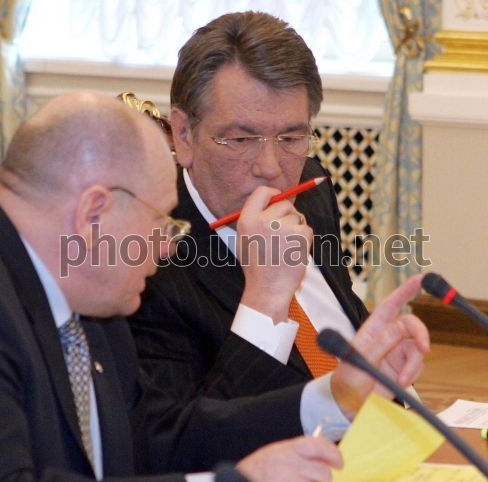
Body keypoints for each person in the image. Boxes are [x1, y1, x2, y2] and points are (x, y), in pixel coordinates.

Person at [0, 91, 349, 482]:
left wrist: (335, 396)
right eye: (161, 221)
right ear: (93, 214)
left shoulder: (91, 299)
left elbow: (159, 442)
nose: (168, 246)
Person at [129, 10, 372, 403]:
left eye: (290, 138)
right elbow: (185, 432)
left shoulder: (312, 187)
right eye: (241, 140)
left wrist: (382, 363)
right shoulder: (148, 259)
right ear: (184, 134)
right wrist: (267, 299)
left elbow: (335, 315)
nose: (271, 169)